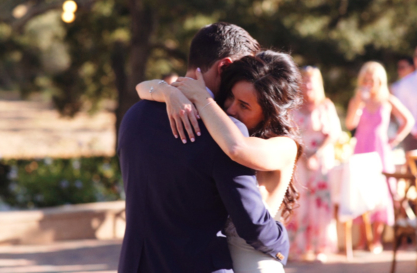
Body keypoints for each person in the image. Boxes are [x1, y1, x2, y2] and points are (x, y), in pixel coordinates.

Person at [118, 23, 289, 273]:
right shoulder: (225, 132)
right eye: (242, 70)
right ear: (225, 66)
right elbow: (251, 224)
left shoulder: (135, 115)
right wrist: (282, 245)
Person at [345, 61, 414, 253]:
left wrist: (395, 138)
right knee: (360, 192)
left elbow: (408, 120)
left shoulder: (388, 100)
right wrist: (358, 103)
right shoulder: (358, 99)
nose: (369, 83)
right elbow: (350, 124)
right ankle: (362, 239)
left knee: (381, 194)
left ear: (380, 80)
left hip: (380, 151)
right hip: (361, 149)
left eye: (372, 79)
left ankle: (376, 239)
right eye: (366, 79)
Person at [287, 66, 341, 262]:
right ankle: (296, 247)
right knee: (299, 203)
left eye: (312, 81)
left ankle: (320, 248)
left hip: (321, 159)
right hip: (299, 158)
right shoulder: (293, 106)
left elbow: (334, 133)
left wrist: (315, 154)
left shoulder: (326, 106)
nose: (308, 85)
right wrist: (303, 155)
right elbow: (289, 134)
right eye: (305, 80)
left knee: (320, 203)